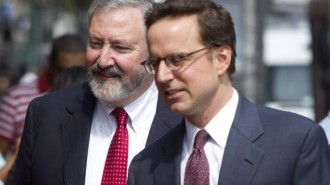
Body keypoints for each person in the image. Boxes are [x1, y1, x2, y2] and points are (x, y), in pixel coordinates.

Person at [127, 0, 330, 185]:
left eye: (177, 60)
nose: (162, 76)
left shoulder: (296, 142)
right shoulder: (145, 165)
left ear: (221, 59)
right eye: (155, 63)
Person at [14, 0, 182, 185]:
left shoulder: (185, 121)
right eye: (95, 44)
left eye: (120, 47)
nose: (103, 61)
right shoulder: (46, 115)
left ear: (153, 52)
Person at [0, 34, 86, 184]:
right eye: (63, 70)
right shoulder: (16, 98)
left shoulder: (94, 100)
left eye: (78, 70)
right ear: (50, 63)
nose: (71, 77)